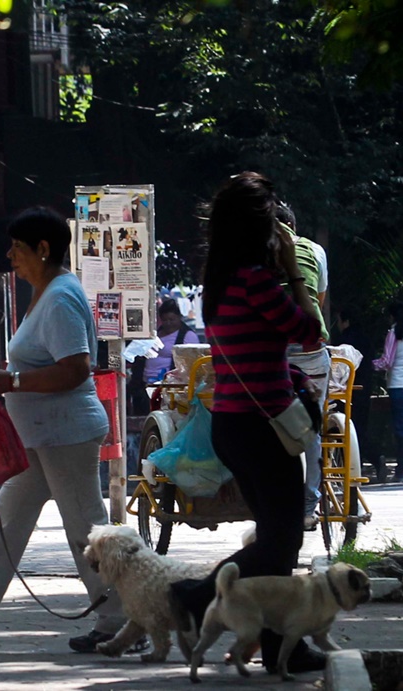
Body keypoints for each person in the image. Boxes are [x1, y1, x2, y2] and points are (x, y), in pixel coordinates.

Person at [0, 206, 140, 655]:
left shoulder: (59, 296)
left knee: (87, 531)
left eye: (17, 248)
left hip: (66, 435)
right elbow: (37, 361)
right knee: (6, 522)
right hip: (38, 438)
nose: (10, 256)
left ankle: (124, 624)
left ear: (43, 249)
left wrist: (9, 382)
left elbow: (75, 369)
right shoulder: (45, 293)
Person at [169, 172, 326, 675]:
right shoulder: (256, 281)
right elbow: (310, 333)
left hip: (234, 423)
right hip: (264, 427)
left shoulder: (218, 283)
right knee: (283, 540)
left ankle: (286, 644)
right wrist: (294, 273)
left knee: (275, 534)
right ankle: (194, 595)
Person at [275, 201, 331, 529]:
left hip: (274, 354)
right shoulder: (316, 252)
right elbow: (317, 302)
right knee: (313, 429)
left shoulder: (260, 256)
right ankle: (310, 502)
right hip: (311, 353)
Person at [128, 299, 200, 415]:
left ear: (179, 317)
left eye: (172, 319)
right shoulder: (155, 333)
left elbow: (191, 364)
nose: (168, 323)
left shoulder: (188, 336)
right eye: (165, 320)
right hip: (145, 385)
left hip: (169, 388)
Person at [335, 307, 378, 481]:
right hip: (364, 388)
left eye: (339, 321)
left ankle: (352, 467)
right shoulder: (366, 339)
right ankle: (368, 461)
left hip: (348, 389)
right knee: (360, 426)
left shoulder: (345, 342)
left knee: (346, 428)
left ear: (346, 322)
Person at [372, 302, 403, 483]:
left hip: (398, 385)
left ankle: (401, 470)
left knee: (400, 429)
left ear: (392, 317)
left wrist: (368, 364)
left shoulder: (393, 334)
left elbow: (386, 362)